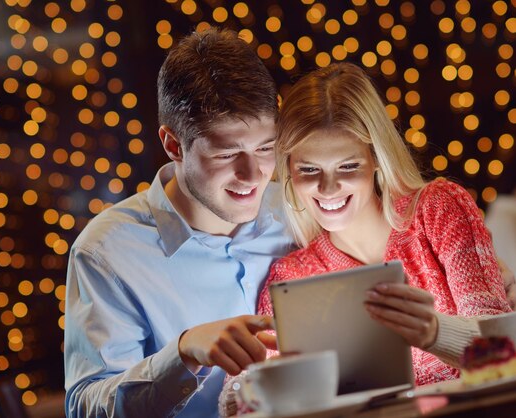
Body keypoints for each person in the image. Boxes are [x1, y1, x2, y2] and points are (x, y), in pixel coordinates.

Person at [64, 27, 295, 417]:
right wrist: (183, 353)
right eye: (227, 154)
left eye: (265, 148)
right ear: (174, 145)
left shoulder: (298, 209)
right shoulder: (106, 252)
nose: (254, 174)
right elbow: (85, 408)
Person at [260, 62, 512, 386]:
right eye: (309, 170)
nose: (328, 188)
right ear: (289, 169)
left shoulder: (437, 212)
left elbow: (505, 356)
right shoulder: (293, 277)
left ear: (376, 158)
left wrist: (436, 333)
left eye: (348, 166)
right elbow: (242, 403)